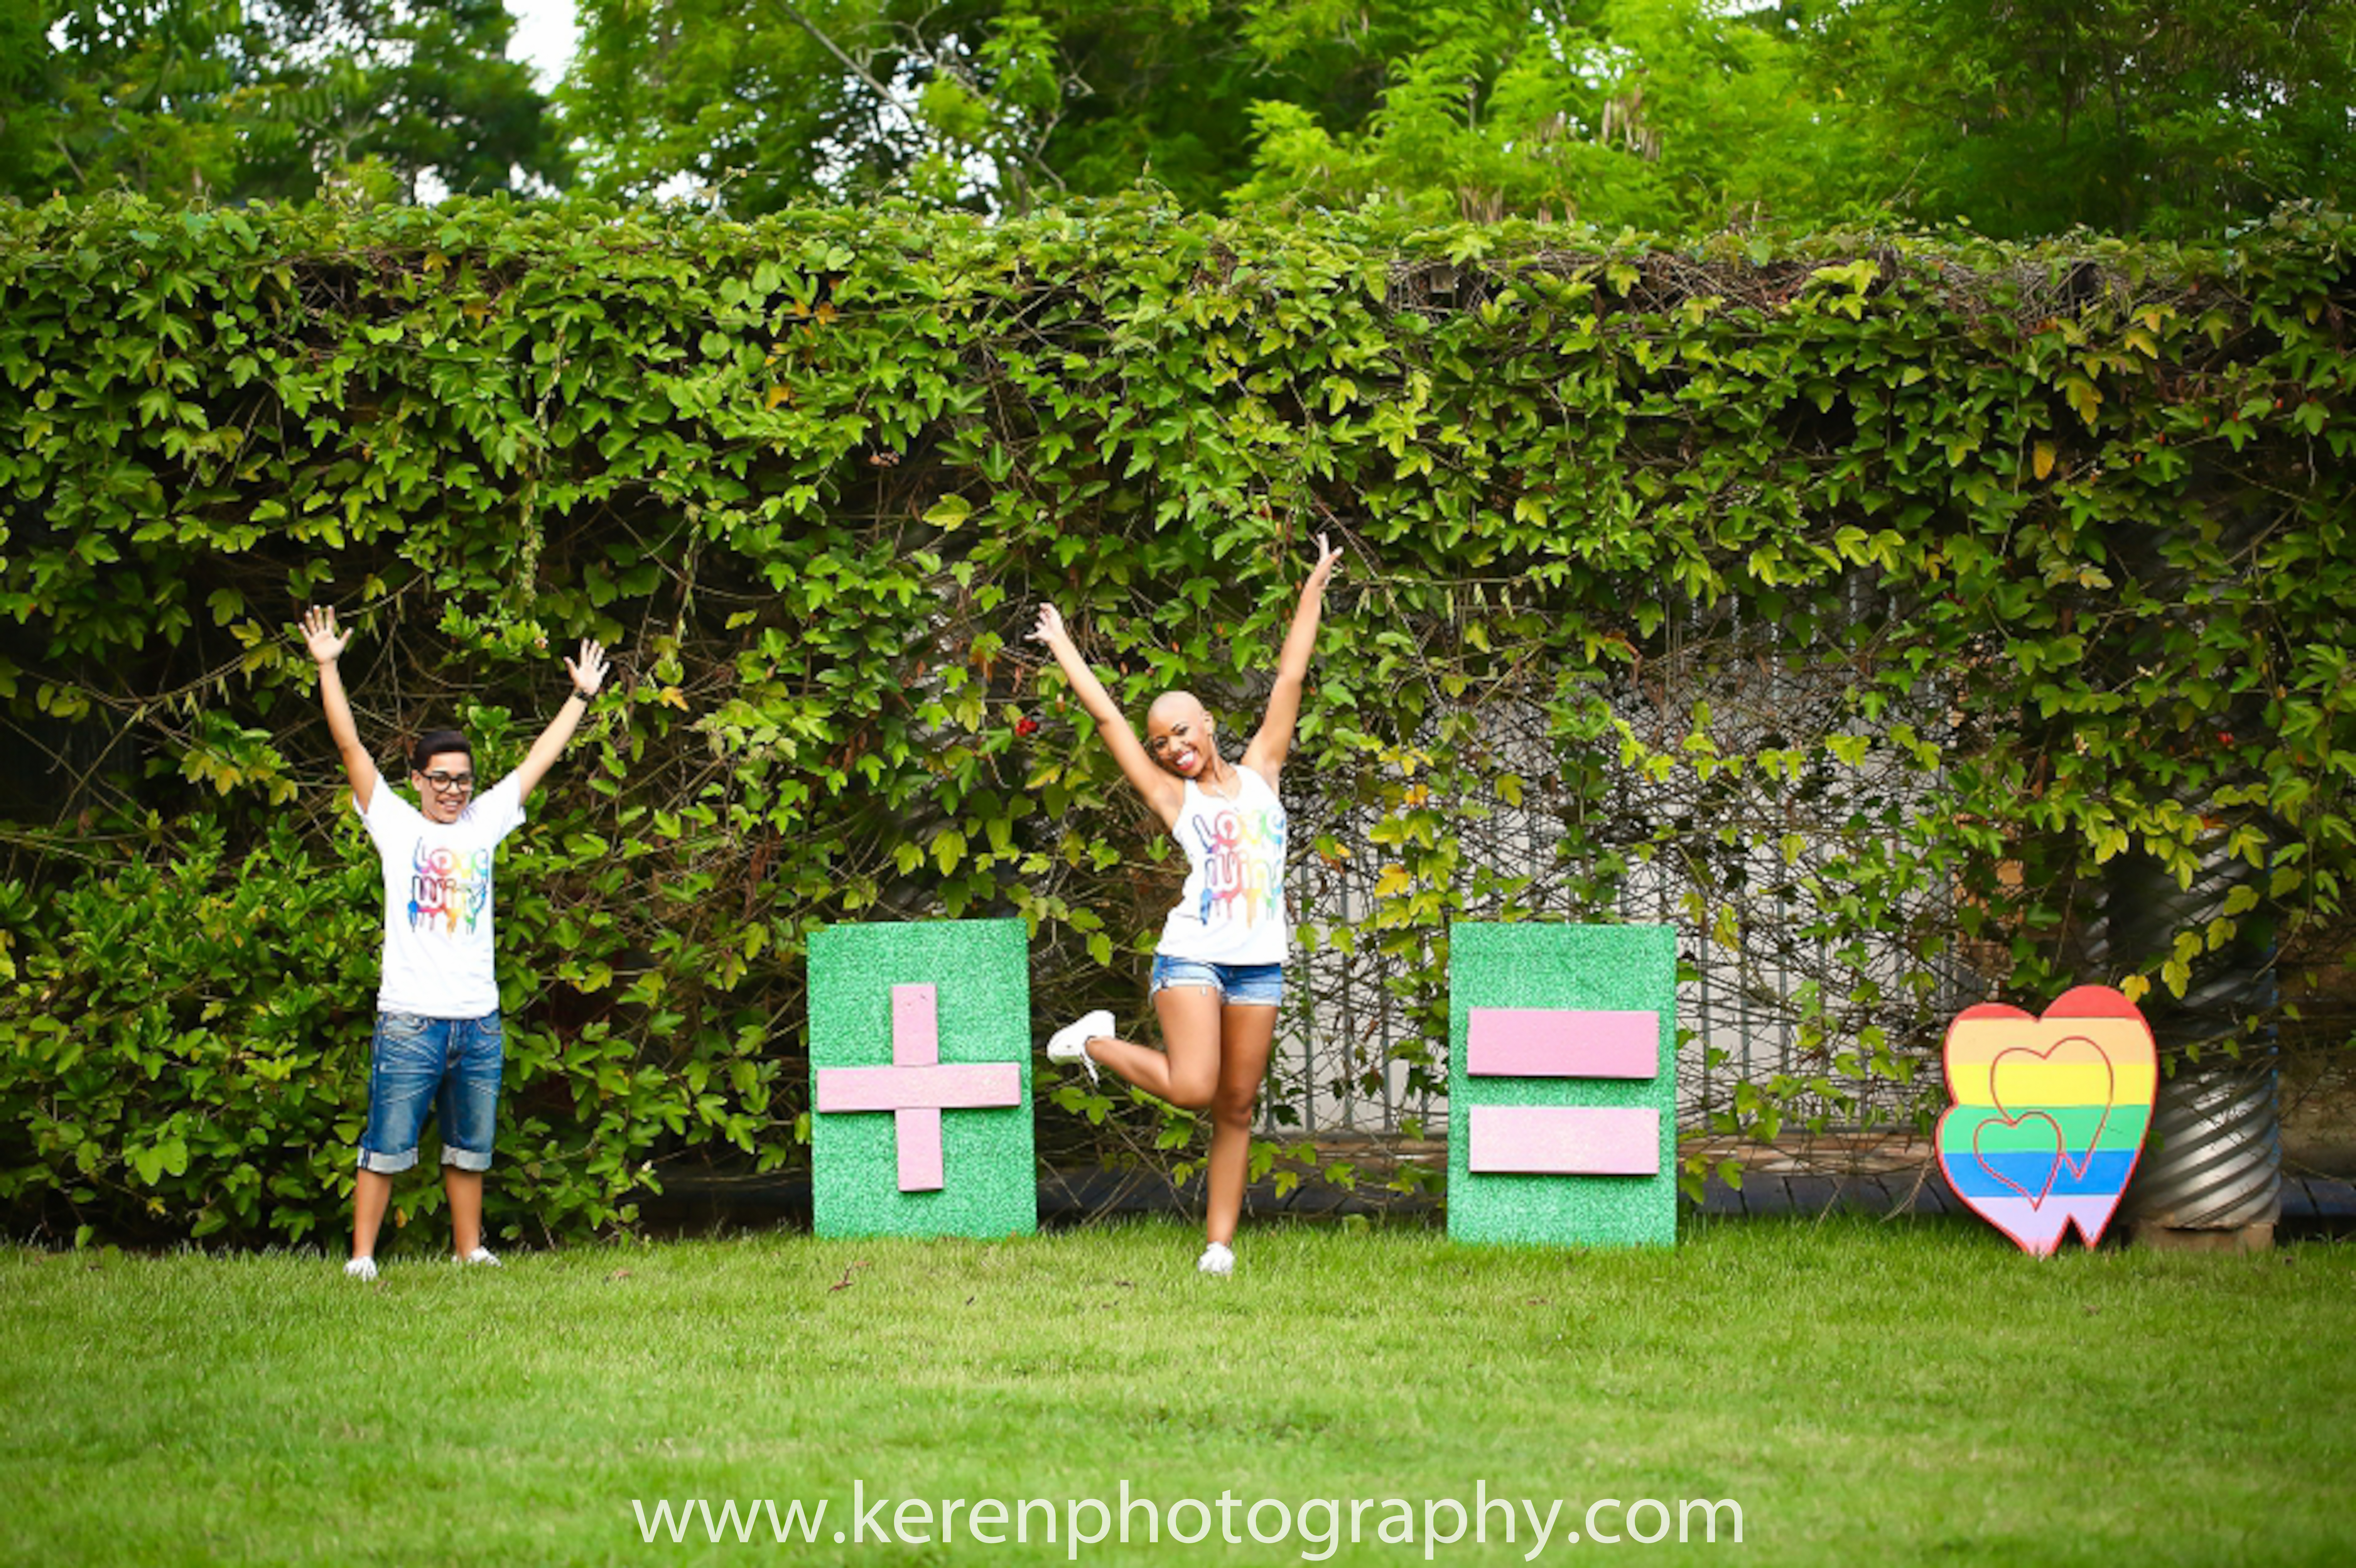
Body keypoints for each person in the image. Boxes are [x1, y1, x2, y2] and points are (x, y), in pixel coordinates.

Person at [1031, 535, 1343, 1276]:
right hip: (1194, 956)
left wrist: (1315, 585)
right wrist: (1065, 646)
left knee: (1236, 1110)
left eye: (1181, 732)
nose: (1172, 748)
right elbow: (1109, 722)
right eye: (1161, 742)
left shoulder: (1265, 769)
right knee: (1196, 1089)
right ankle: (1096, 1043)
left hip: (1261, 965)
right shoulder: (1177, 800)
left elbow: (1292, 673)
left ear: (1206, 723)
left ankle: (1219, 1250)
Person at [301, 606, 609, 1280]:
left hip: (478, 1019)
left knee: (469, 1147)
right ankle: (362, 1259)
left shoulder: (484, 821)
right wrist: (328, 667)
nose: (452, 790)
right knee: (387, 1144)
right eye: (439, 778)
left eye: (462, 779)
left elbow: (538, 758)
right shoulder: (395, 825)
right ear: (416, 780)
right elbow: (351, 747)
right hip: (410, 1018)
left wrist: (580, 697)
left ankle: (469, 1251)